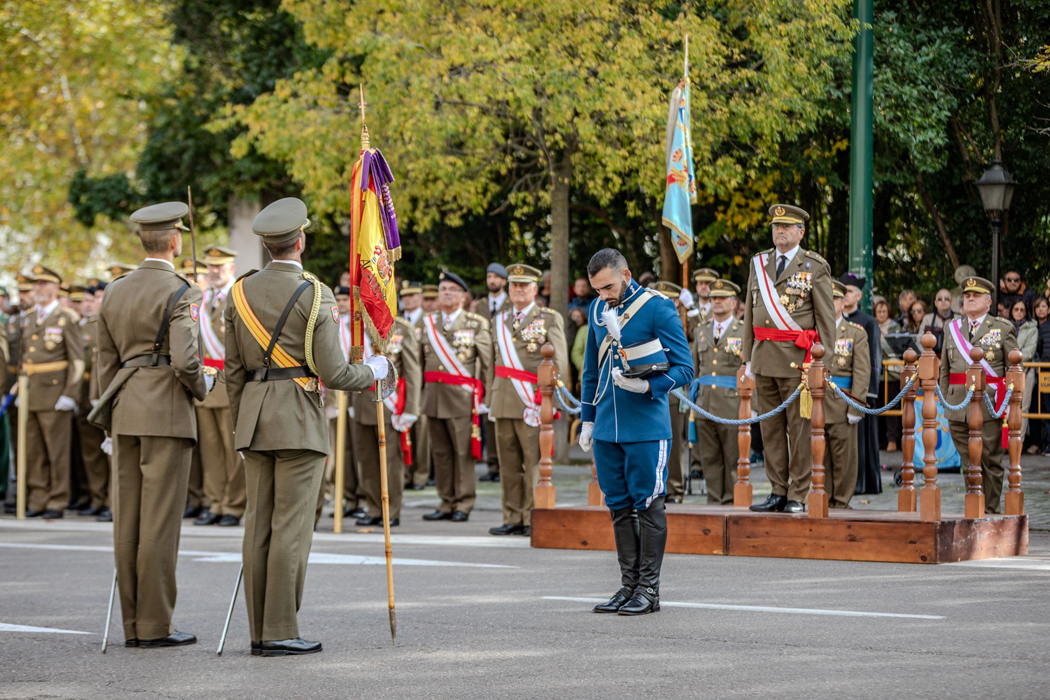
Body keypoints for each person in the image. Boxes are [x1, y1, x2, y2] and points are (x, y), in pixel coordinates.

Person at [224, 197, 384, 656]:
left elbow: (234, 374)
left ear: (269, 245)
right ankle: (278, 630)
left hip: (254, 418)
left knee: (258, 528)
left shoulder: (238, 291)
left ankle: (260, 630)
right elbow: (334, 374)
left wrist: (242, 425)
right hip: (297, 418)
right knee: (291, 529)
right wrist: (374, 370)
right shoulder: (315, 294)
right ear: (301, 241)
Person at [94, 201, 211, 647]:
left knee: (127, 523)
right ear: (176, 241)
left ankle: (132, 625)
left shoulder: (115, 289)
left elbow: (104, 361)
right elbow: (185, 360)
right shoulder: (182, 290)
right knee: (160, 523)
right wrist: (204, 386)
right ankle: (155, 626)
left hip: (123, 411)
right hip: (166, 412)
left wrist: (108, 419)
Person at [578, 248, 692, 616]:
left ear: (626, 274)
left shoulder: (658, 307)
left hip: (645, 424)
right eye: (597, 290)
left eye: (608, 287)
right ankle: (628, 586)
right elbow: (590, 372)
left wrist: (649, 388)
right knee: (618, 507)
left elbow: (685, 368)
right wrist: (588, 418)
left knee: (648, 503)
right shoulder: (598, 311)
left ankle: (649, 589)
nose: (603, 296)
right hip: (608, 426)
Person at [742, 204, 835, 513]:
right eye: (775, 226)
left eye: (786, 226)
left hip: (799, 363)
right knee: (769, 430)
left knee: (799, 431)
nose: (779, 231)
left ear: (800, 232)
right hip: (764, 358)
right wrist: (746, 360)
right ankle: (777, 490)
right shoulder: (758, 263)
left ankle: (797, 493)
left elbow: (826, 322)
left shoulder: (814, 266)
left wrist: (823, 364)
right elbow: (748, 317)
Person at [487, 264, 567, 536]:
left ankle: (534, 517)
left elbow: (560, 364)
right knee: (508, 464)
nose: (518, 290)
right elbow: (491, 363)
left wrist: (552, 401)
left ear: (535, 289)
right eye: (514, 285)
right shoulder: (498, 319)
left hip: (533, 401)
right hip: (503, 399)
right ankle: (513, 517)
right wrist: (489, 397)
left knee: (534, 464)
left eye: (524, 285)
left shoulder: (548, 318)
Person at [938, 275, 1017, 514]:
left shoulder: (1003, 328)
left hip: (988, 404)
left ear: (988, 302)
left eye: (976, 295)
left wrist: (1008, 402)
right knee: (969, 462)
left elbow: (1013, 368)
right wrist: (946, 398)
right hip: (958, 405)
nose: (970, 298)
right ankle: (975, 508)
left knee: (990, 460)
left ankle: (991, 510)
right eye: (967, 296)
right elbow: (944, 369)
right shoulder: (951, 328)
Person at [419, 271, 492, 523]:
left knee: (463, 453)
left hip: (462, 398)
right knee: (440, 453)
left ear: (463, 296)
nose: (446, 293)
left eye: (452, 289)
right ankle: (446, 501)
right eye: (443, 289)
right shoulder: (426, 323)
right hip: (433, 397)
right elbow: (417, 362)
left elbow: (486, 363)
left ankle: (464, 502)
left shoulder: (475, 323)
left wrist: (485, 396)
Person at [353, 309, 421, 527]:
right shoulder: (356, 328)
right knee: (368, 461)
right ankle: (374, 508)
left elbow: (411, 370)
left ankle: (391, 510)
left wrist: (410, 408)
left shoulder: (401, 328)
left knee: (391, 462)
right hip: (362, 402)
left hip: (390, 406)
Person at [192, 245, 244, 527]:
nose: (214, 271)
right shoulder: (201, 299)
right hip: (206, 381)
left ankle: (233, 505)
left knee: (231, 448)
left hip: (231, 381)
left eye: (220, 267)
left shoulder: (239, 297)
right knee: (210, 449)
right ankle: (216, 502)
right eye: (210, 267)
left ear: (231, 269)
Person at [22, 265, 78, 518]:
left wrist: (70, 393)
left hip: (55, 394)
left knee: (57, 452)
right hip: (31, 392)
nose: (38, 288)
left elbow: (77, 360)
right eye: (36, 284)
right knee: (34, 451)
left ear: (56, 288)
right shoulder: (29, 317)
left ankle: (57, 500)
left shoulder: (66, 317)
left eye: (43, 284)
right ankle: (38, 498)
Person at [692, 279, 743, 504]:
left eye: (723, 298)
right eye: (714, 298)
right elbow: (694, 368)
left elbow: (749, 372)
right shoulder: (700, 330)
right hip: (704, 403)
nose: (718, 302)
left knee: (733, 458)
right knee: (709, 458)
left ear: (734, 302)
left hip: (732, 404)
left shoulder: (742, 331)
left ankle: (731, 501)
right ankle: (714, 500)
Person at [823, 280, 871, 508]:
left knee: (844, 458)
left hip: (842, 402)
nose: (829, 302)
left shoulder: (855, 333)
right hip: (813, 402)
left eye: (834, 298)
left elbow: (862, 372)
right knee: (817, 457)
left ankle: (841, 502)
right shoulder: (810, 331)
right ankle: (820, 500)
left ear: (843, 302)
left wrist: (855, 406)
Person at [838, 272, 882, 496]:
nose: (845, 296)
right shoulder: (833, 321)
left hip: (861, 390)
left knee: (862, 439)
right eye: (842, 292)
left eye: (849, 292)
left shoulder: (868, 321)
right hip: (838, 391)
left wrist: (870, 392)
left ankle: (863, 483)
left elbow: (874, 360)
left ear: (858, 295)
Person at [649, 280, 688, 504]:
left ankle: (674, 488)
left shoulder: (683, 322)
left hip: (673, 388)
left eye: (672, 298)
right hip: (647, 385)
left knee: (672, 442)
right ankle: (656, 488)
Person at [74, 280, 110, 520]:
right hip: (88, 394)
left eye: (98, 297)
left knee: (110, 451)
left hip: (105, 394)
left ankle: (109, 500)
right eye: (92, 298)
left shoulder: (107, 324)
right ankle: (97, 498)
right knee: (91, 452)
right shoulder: (86, 326)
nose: (94, 302)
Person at [475, 263, 508, 483]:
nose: (492, 280)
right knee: (487, 416)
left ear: (504, 281)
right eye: (489, 276)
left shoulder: (511, 303)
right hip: (483, 366)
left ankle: (504, 466)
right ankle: (492, 464)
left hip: (504, 363)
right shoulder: (480, 305)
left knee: (502, 417)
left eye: (496, 277)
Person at [686, 267, 718, 481]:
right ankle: (696, 463)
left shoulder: (717, 307)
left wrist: (693, 313)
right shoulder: (687, 310)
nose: (704, 287)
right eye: (700, 284)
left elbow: (704, 331)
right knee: (694, 417)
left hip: (710, 366)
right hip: (692, 363)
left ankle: (708, 463)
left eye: (708, 283)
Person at [399, 281, 429, 490]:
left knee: (422, 434)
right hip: (402, 386)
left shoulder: (428, 323)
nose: (408, 300)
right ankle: (406, 474)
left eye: (412, 296)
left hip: (425, 385)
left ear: (420, 298)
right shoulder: (398, 322)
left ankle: (421, 475)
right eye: (405, 296)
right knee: (404, 432)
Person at [874, 298, 903, 452]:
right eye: (879, 311)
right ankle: (879, 440)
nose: (882, 314)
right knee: (877, 407)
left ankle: (892, 439)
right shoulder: (872, 325)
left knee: (891, 406)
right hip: (876, 372)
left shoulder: (894, 327)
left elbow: (895, 349)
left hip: (891, 372)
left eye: (884, 311)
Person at [1010, 299, 1037, 448]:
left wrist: (1012, 356)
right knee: (1006, 406)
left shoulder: (1032, 328)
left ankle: (1018, 442)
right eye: (1016, 309)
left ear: (1026, 312)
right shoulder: (1005, 326)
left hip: (1025, 370)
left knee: (1023, 407)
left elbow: (1030, 351)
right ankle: (1006, 442)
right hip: (1007, 371)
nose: (1019, 312)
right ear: (1011, 311)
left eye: (1022, 310)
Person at [1032, 296, 1050, 454]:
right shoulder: (1036, 327)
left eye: (1044, 306)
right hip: (1043, 370)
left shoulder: (1044, 327)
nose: (1041, 309)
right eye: (1038, 307)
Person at [918, 289, 959, 354]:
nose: (943, 301)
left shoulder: (959, 319)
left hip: (953, 360)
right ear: (935, 303)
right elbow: (919, 341)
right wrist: (928, 356)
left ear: (952, 302)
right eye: (939, 299)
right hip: (931, 358)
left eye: (947, 299)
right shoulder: (928, 319)